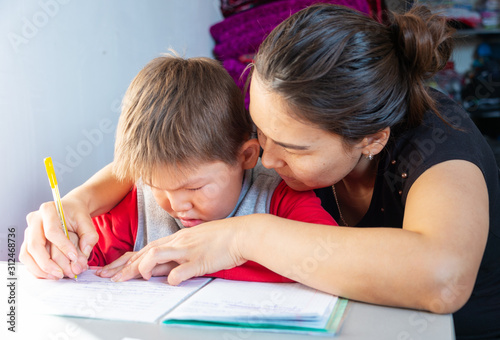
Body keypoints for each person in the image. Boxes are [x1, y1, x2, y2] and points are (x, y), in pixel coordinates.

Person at [20, 4, 499, 339]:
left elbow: (442, 279)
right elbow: (183, 157)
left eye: (290, 148)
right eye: (262, 133)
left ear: (371, 140)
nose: (267, 160)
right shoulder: (284, 120)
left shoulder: (440, 141)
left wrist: (241, 236)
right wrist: (80, 201)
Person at [20, 53, 337, 282]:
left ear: (247, 156)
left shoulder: (277, 197)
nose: (175, 205)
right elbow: (88, 264)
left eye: (195, 187)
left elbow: (329, 259)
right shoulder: (137, 206)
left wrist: (200, 262)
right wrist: (62, 253)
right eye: (156, 185)